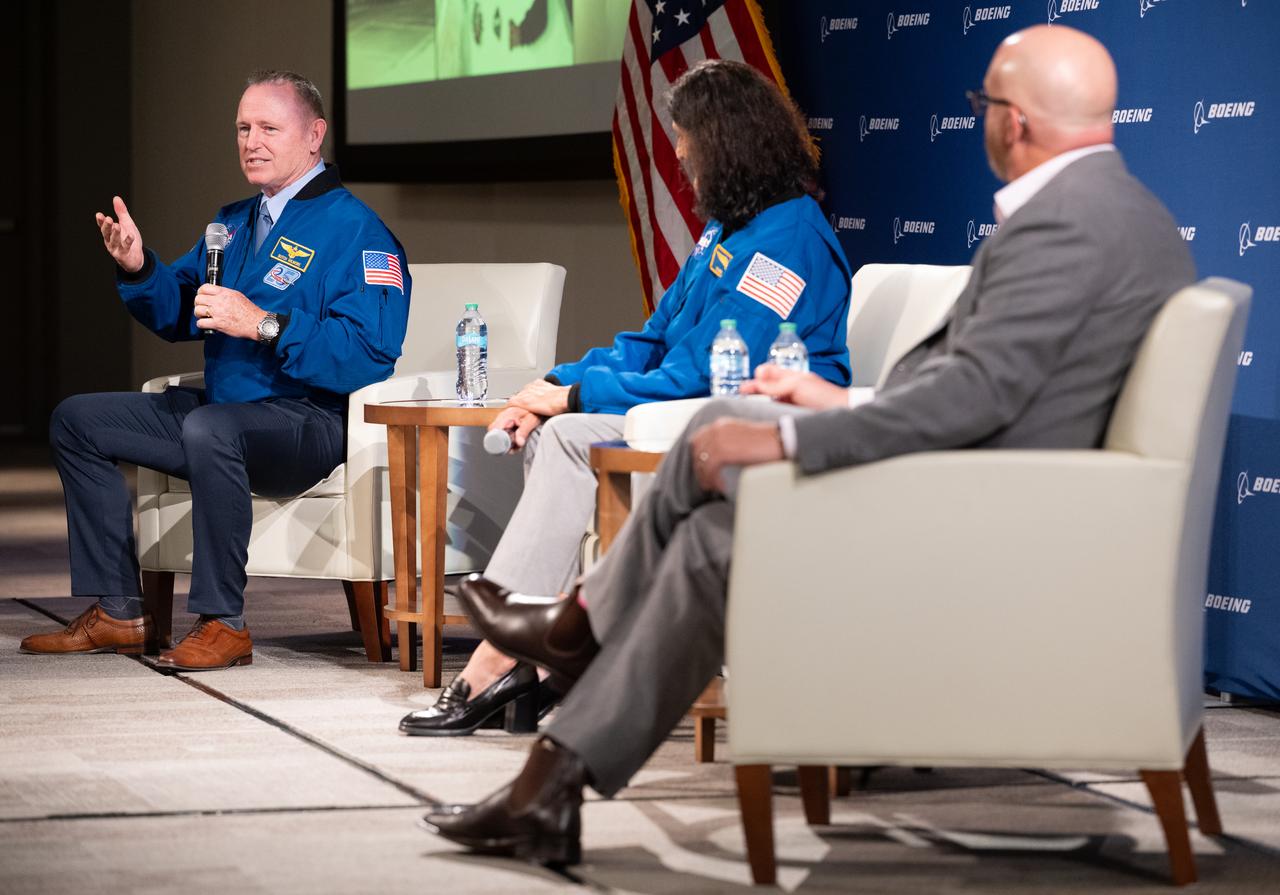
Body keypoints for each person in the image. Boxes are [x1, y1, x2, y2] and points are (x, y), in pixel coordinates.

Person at [421, 24, 1197, 864]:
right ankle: (553, 769)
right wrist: (835, 398)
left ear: (1011, 120)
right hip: (978, 488)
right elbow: (984, 391)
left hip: (973, 517)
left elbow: (973, 401)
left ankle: (577, 635)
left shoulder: (1065, 228)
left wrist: (805, 437)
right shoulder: (1120, 215)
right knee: (716, 514)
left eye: (980, 107)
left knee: (726, 457)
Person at [398, 58, 853, 737]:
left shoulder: (785, 244)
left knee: (568, 432)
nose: (680, 158)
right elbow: (654, 337)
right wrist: (557, 383)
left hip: (756, 421)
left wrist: (580, 395)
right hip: (687, 409)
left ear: (728, 141)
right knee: (557, 430)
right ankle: (527, 655)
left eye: (688, 143)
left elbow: (707, 372)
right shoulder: (727, 230)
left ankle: (504, 655)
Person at [20, 71, 411, 671]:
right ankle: (121, 612)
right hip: (225, 414)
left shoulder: (357, 230)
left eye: (268, 128)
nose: (251, 141)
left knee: (213, 429)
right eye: (242, 128)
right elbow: (181, 309)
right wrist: (137, 266)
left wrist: (264, 324)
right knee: (77, 420)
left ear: (314, 135)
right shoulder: (231, 223)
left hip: (306, 422)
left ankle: (223, 622)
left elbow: (368, 352)